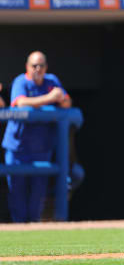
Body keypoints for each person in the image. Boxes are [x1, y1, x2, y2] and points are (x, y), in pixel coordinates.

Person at [1, 51, 71, 223]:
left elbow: (67, 102)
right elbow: (21, 102)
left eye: (41, 65)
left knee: (38, 194)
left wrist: (59, 98)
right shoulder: (21, 81)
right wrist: (50, 98)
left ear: (46, 67)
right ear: (27, 67)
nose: (37, 69)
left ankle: (34, 226)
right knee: (17, 192)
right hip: (18, 147)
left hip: (42, 147)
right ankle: (19, 227)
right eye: (34, 65)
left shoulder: (51, 81)